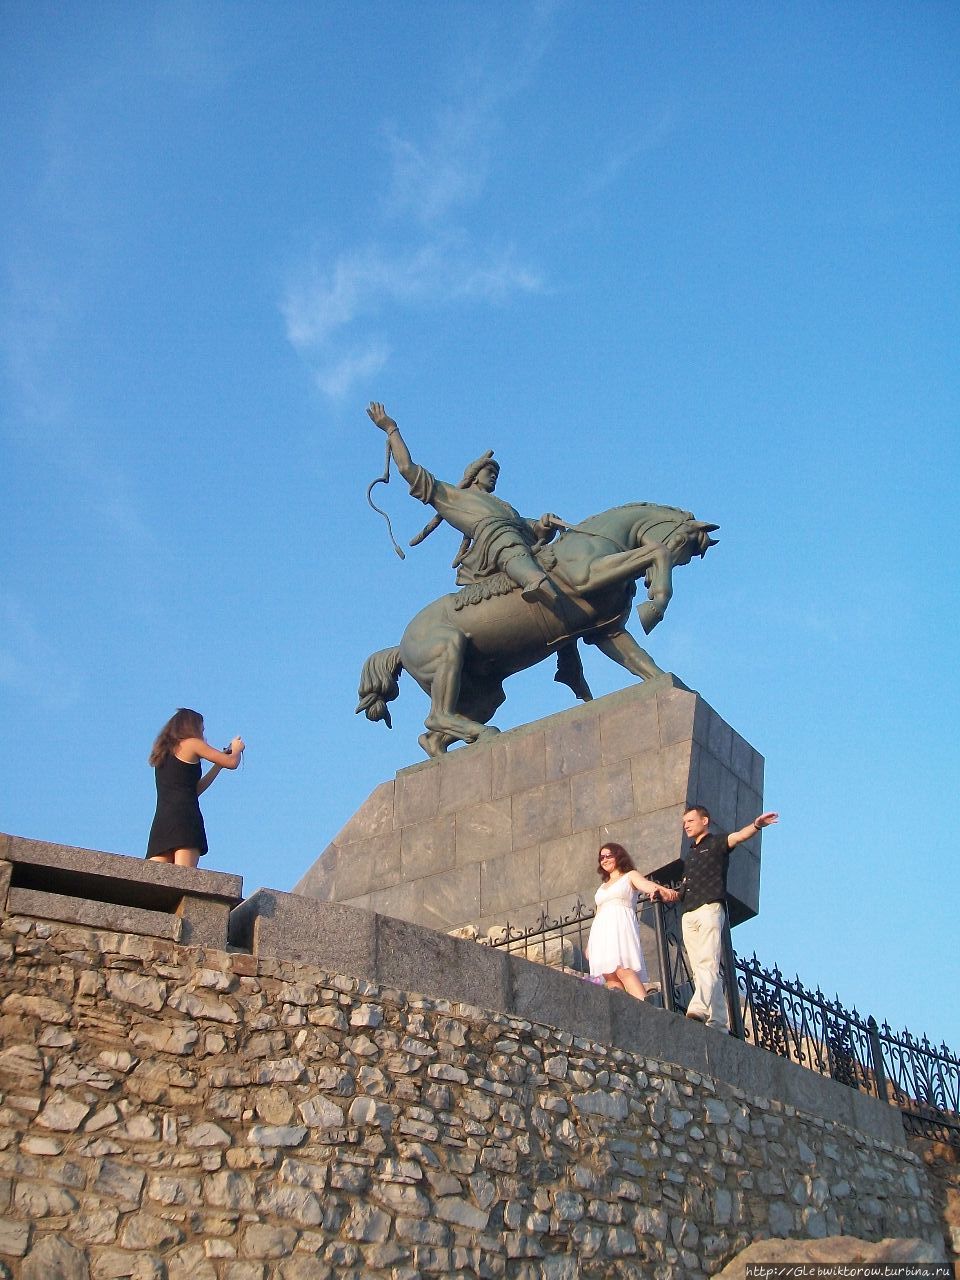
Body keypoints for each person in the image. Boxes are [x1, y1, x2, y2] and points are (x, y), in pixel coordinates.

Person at [366, 401, 562, 605]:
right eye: (489, 471)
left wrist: (544, 524)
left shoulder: (505, 506)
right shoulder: (452, 496)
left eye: (496, 473)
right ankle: (536, 582)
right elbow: (408, 468)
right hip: (495, 543)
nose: (494, 476)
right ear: (475, 476)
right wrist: (391, 429)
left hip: (518, 537)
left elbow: (530, 527)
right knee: (507, 541)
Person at [678, 804, 779, 1031]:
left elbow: (738, 837)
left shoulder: (717, 842)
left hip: (709, 907)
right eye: (684, 822)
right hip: (689, 912)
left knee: (708, 962)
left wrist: (756, 825)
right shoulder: (691, 854)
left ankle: (698, 1008)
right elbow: (683, 888)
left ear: (705, 821)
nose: (686, 825)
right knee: (700, 967)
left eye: (690, 821)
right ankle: (720, 1021)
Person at [146, 709, 245, 868]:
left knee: (155, 883)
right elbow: (232, 762)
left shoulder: (162, 754)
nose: (202, 732)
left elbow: (193, 790)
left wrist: (217, 766)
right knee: (184, 879)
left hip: (162, 824)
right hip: (185, 819)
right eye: (201, 728)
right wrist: (237, 748)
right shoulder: (192, 743)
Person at [586, 842, 680, 999]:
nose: (604, 860)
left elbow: (645, 884)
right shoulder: (602, 887)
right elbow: (598, 912)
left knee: (623, 970)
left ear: (619, 856)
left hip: (620, 926)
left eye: (608, 856)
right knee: (610, 975)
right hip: (601, 931)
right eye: (601, 857)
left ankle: (646, 1012)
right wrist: (590, 944)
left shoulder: (629, 876)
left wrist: (662, 891)